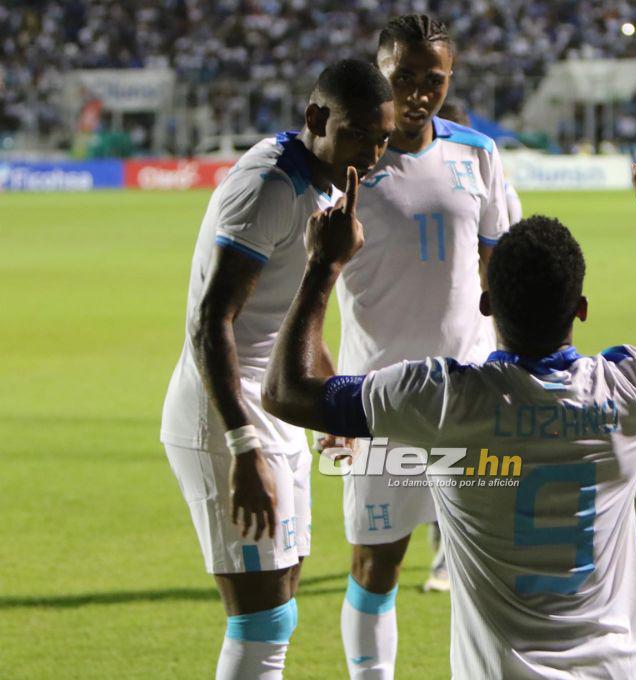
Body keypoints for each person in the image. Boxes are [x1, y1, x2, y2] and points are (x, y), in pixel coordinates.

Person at [262, 124, 636, 679]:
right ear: (581, 309)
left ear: (488, 304)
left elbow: (286, 391)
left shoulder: (444, 399)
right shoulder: (633, 387)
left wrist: (322, 267)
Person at [158, 60, 394, 679]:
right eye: (361, 135)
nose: (373, 153)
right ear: (316, 119)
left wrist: (328, 400)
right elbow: (213, 322)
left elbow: (291, 315)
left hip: (277, 405)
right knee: (261, 621)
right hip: (224, 413)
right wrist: (242, 445)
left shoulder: (329, 183)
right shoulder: (270, 187)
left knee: (280, 602)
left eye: (384, 139)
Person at [321, 15, 509, 679]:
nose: (420, 93)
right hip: (379, 402)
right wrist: (326, 402)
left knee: (485, 566)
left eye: (435, 80)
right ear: (381, 75)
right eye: (404, 79)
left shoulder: (478, 154)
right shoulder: (349, 167)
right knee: (377, 565)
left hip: (472, 395)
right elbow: (310, 289)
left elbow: (501, 270)